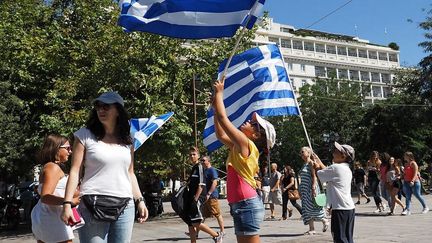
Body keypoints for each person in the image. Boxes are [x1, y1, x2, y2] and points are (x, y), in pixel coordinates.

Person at [60, 91, 148, 242]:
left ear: (118, 111)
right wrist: (67, 203)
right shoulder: (84, 135)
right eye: (98, 106)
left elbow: (130, 173)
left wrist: (140, 200)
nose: (101, 110)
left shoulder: (129, 140)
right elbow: (75, 171)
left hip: (125, 205)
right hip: (92, 204)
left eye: (106, 107)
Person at [212, 78, 274, 243]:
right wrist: (214, 111)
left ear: (256, 135)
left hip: (246, 204)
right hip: (241, 204)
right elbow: (220, 135)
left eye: (253, 123)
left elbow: (224, 120)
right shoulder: (239, 146)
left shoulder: (245, 143)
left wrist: (219, 94)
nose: (249, 121)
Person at [31, 134, 80, 243]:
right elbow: (45, 197)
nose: (70, 151)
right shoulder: (52, 167)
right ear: (57, 148)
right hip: (52, 218)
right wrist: (69, 201)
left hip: (50, 217)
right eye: (68, 148)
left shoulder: (52, 167)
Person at [315, 142, 355, 243]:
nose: (333, 153)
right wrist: (318, 160)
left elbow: (319, 173)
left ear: (343, 156)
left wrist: (314, 165)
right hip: (348, 208)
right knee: (347, 238)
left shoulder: (336, 168)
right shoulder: (345, 168)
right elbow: (326, 170)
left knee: (339, 239)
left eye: (336, 151)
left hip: (340, 209)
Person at [182, 147, 222, 243]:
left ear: (198, 156)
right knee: (190, 223)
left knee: (196, 222)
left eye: (194, 154)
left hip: (198, 198)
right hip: (191, 198)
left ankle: (216, 236)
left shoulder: (199, 167)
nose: (192, 156)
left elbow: (201, 184)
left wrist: (195, 199)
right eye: (190, 154)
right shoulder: (193, 168)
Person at [298, 147, 329, 235]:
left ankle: (324, 220)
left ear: (309, 152)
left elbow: (314, 176)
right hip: (304, 189)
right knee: (307, 208)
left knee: (314, 206)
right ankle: (312, 228)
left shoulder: (311, 163)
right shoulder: (304, 164)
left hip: (310, 188)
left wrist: (313, 187)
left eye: (303, 152)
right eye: (300, 152)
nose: (301, 154)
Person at [201, 156, 225, 236]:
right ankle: (195, 233)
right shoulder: (204, 171)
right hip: (205, 197)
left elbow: (215, 183)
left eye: (203, 160)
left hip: (212, 196)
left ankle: (222, 231)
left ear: (208, 161)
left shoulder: (212, 170)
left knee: (217, 214)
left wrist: (209, 194)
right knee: (202, 216)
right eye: (201, 160)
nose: (202, 162)